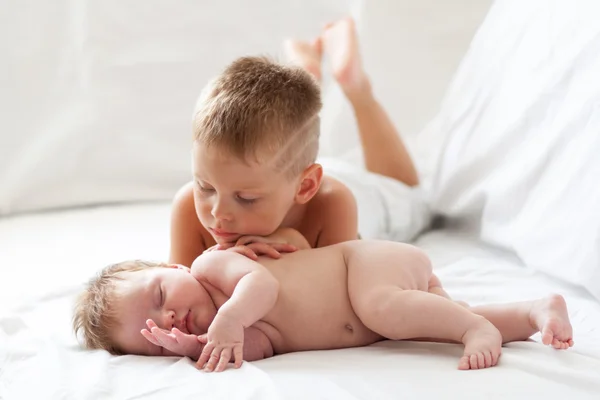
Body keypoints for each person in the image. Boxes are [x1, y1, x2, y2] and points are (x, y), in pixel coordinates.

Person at [73, 234, 574, 372]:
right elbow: (260, 347)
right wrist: (194, 347)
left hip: (363, 265)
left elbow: (263, 288)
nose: (168, 316)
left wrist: (224, 319)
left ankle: (474, 331)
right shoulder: (229, 330)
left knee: (385, 307)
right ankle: (532, 312)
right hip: (379, 313)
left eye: (160, 294)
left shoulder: (212, 267)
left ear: (176, 268)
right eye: (154, 334)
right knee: (418, 321)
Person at [169, 17, 421, 267]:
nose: (217, 212)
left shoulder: (333, 205)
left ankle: (356, 88)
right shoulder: (188, 207)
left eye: (246, 198)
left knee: (409, 193)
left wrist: (298, 249)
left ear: (306, 187)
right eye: (205, 187)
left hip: (359, 190)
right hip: (283, 168)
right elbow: (176, 293)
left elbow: (340, 294)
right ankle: (303, 77)